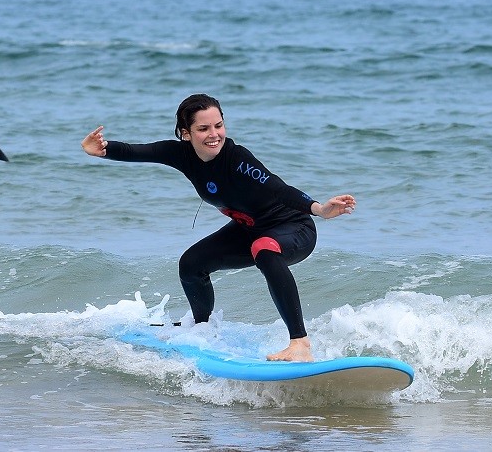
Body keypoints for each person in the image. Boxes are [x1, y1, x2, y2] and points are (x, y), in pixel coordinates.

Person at [81, 93, 356, 362]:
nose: (214, 134)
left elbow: (279, 189)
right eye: (203, 128)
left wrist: (319, 209)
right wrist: (103, 150)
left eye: (218, 125)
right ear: (185, 133)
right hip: (250, 228)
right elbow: (135, 151)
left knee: (265, 247)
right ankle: (202, 329)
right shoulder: (181, 154)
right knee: (191, 264)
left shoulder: (237, 159)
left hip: (293, 227)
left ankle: (300, 344)